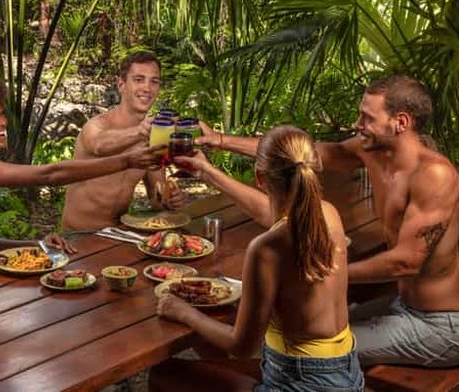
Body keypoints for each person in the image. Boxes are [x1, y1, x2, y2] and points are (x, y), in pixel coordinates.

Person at [195, 74, 459, 368]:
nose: (357, 124)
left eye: (367, 117)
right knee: (290, 330)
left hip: (440, 326)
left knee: (296, 346)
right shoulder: (371, 152)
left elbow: (406, 262)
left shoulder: (434, 176)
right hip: (401, 305)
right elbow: (297, 155)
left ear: (400, 122)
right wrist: (220, 141)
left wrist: (326, 272)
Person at [150, 125, 362, 392]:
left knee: (163, 375)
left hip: (299, 382)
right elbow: (273, 214)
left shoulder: (266, 249)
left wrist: (183, 312)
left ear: (260, 177)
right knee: (210, 358)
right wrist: (207, 172)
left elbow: (242, 346)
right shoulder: (328, 214)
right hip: (346, 374)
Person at [0, 70, 160, 289]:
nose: (2, 122)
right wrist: (127, 161)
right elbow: (49, 174)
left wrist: (39, 244)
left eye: (1, 114)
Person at [61, 51, 185, 232]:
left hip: (120, 234)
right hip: (79, 237)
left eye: (154, 81)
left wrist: (169, 200)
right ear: (121, 84)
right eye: (139, 79)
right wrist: (139, 131)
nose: (147, 88)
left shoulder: (155, 137)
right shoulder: (97, 125)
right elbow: (98, 145)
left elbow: (156, 196)